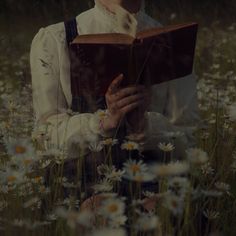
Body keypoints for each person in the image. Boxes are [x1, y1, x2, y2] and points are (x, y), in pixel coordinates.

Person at [30, 0, 200, 210]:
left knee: (160, 210)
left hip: (155, 176)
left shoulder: (173, 43)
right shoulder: (55, 40)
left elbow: (189, 143)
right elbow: (46, 138)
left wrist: (145, 126)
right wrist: (102, 123)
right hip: (81, 177)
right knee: (98, 210)